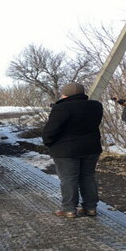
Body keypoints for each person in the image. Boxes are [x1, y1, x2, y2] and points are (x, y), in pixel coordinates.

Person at [43, 82, 103, 218]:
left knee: (69, 179)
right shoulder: (96, 106)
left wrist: (49, 143)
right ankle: (91, 208)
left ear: (65, 94)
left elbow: (51, 130)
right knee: (88, 177)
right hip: (91, 148)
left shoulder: (62, 108)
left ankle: (69, 209)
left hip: (66, 150)